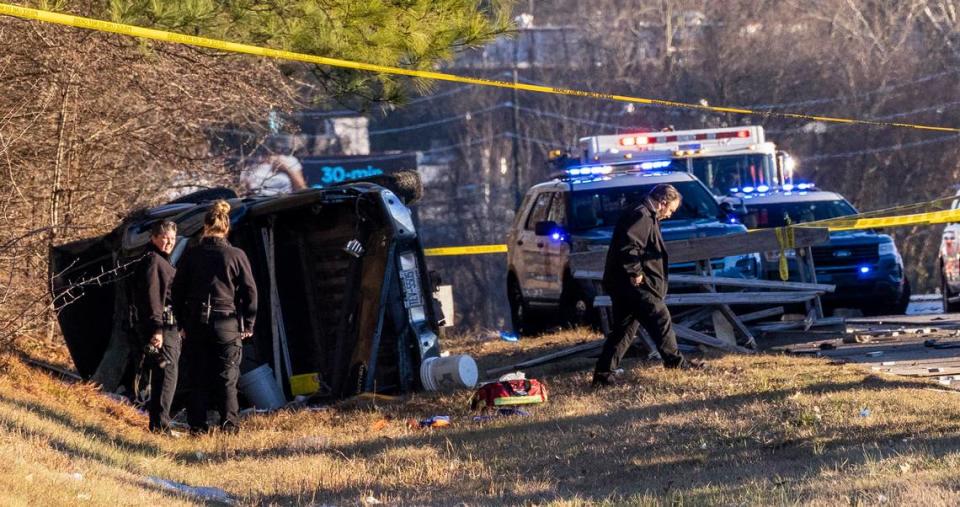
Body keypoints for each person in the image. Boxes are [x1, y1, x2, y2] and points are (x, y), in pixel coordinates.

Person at [592, 184, 699, 387]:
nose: (669, 215)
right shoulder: (641, 215)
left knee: (624, 331)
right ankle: (675, 363)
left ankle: (603, 374)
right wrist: (635, 272)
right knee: (660, 317)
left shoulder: (643, 212)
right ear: (662, 203)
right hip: (633, 284)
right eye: (670, 210)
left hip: (623, 284)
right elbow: (629, 245)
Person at [172, 200, 258, 434]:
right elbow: (250, 290)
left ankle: (198, 427)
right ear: (226, 227)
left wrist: (181, 322)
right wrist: (248, 322)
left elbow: (177, 290)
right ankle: (229, 425)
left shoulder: (192, 255)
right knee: (227, 378)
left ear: (205, 226)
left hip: (196, 323)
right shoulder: (236, 255)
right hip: (226, 323)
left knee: (197, 377)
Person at [134, 220, 181, 433]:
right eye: (165, 238)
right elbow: (153, 297)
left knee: (165, 375)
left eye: (172, 238)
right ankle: (160, 426)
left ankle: (158, 424)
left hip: (168, 327)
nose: (169, 242)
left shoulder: (162, 260)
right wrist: (157, 329)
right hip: (162, 328)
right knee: (167, 375)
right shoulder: (154, 261)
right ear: (153, 237)